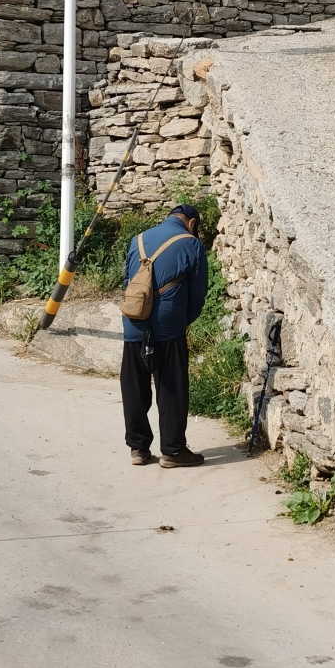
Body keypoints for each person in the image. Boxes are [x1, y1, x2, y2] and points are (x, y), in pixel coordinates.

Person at [120, 200, 209, 468]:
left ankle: (138, 448)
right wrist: (183, 320)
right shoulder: (192, 244)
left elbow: (127, 281)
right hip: (168, 326)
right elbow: (197, 294)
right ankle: (172, 450)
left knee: (134, 386)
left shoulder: (138, 240)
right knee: (171, 387)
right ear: (191, 223)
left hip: (134, 321)